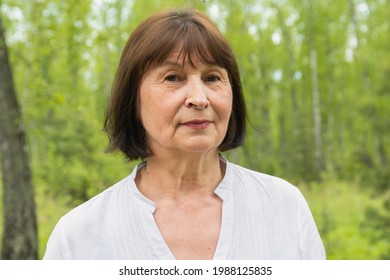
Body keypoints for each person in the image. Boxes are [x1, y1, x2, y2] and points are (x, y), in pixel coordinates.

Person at [43, 9, 326, 260]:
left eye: (212, 77)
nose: (198, 98)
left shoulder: (284, 207)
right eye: (173, 78)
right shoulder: (79, 238)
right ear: (133, 98)